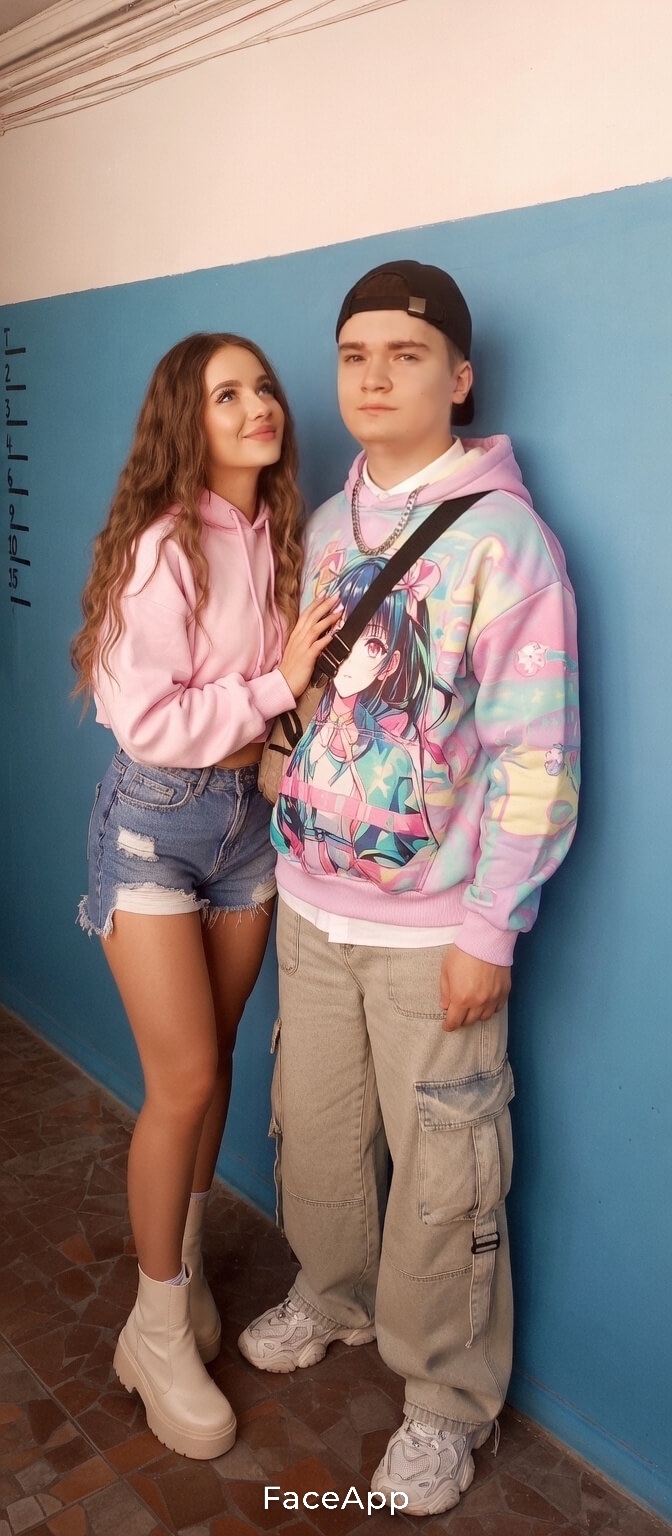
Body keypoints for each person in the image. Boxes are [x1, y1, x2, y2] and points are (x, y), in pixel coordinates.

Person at [238, 264, 580, 1515]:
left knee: (447, 1172)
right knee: (317, 1134)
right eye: (354, 356)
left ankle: (445, 1402)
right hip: (313, 901)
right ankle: (332, 1296)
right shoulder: (328, 528)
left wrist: (492, 926)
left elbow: (539, 755)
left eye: (406, 353)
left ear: (460, 376)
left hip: (437, 928)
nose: (374, 377)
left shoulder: (508, 542)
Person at [72, 331, 339, 1460]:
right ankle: (152, 1329)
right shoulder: (161, 546)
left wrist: (287, 711)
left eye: (263, 387)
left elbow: (277, 710)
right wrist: (278, 683)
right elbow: (147, 718)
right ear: (188, 419)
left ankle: (176, 1284)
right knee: (179, 1080)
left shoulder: (283, 532)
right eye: (226, 394)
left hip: (245, 827)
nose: (257, 405)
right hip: (155, 822)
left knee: (216, 1063)